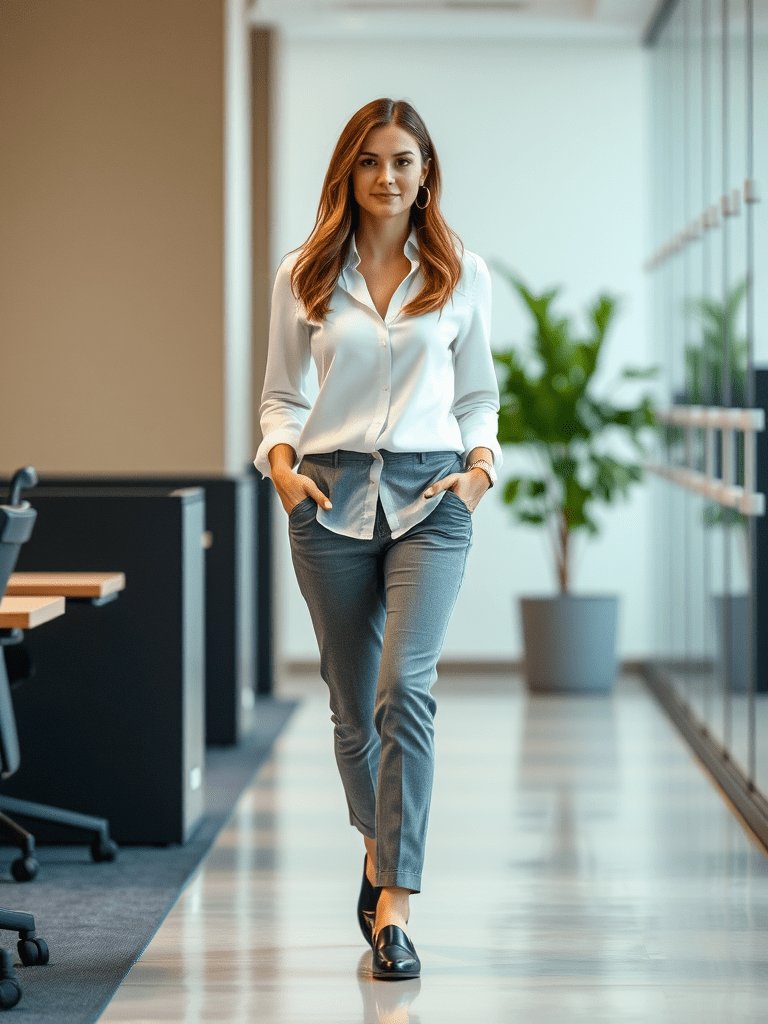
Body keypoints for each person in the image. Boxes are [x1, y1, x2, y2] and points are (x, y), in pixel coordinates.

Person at [254, 97, 501, 980]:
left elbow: (478, 395)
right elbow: (281, 395)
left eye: (402, 160)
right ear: (347, 173)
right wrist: (283, 471)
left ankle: (394, 902)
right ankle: (376, 840)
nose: (386, 176)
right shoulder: (305, 274)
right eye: (369, 160)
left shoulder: (461, 273)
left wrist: (478, 472)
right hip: (328, 496)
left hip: (433, 498)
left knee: (406, 688)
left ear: (426, 171)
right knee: (352, 705)